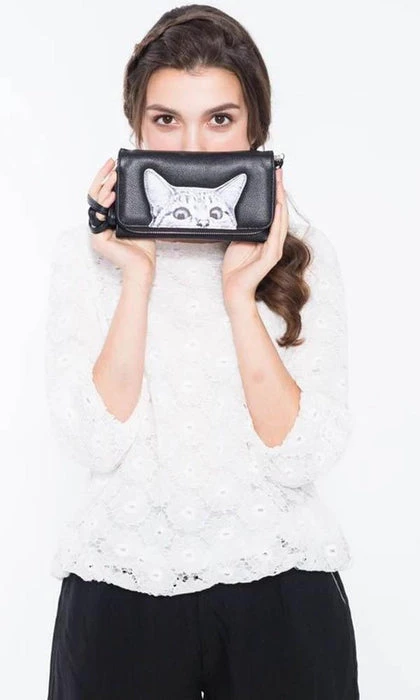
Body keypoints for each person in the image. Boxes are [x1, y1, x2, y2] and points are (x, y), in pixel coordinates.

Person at [45, 4, 360, 699]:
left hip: (282, 588)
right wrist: (137, 276)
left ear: (255, 129)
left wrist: (241, 293)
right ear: (136, 128)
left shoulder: (303, 255)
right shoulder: (86, 256)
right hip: (120, 587)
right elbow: (96, 441)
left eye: (220, 119)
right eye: (167, 119)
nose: (194, 146)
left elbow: (302, 455)